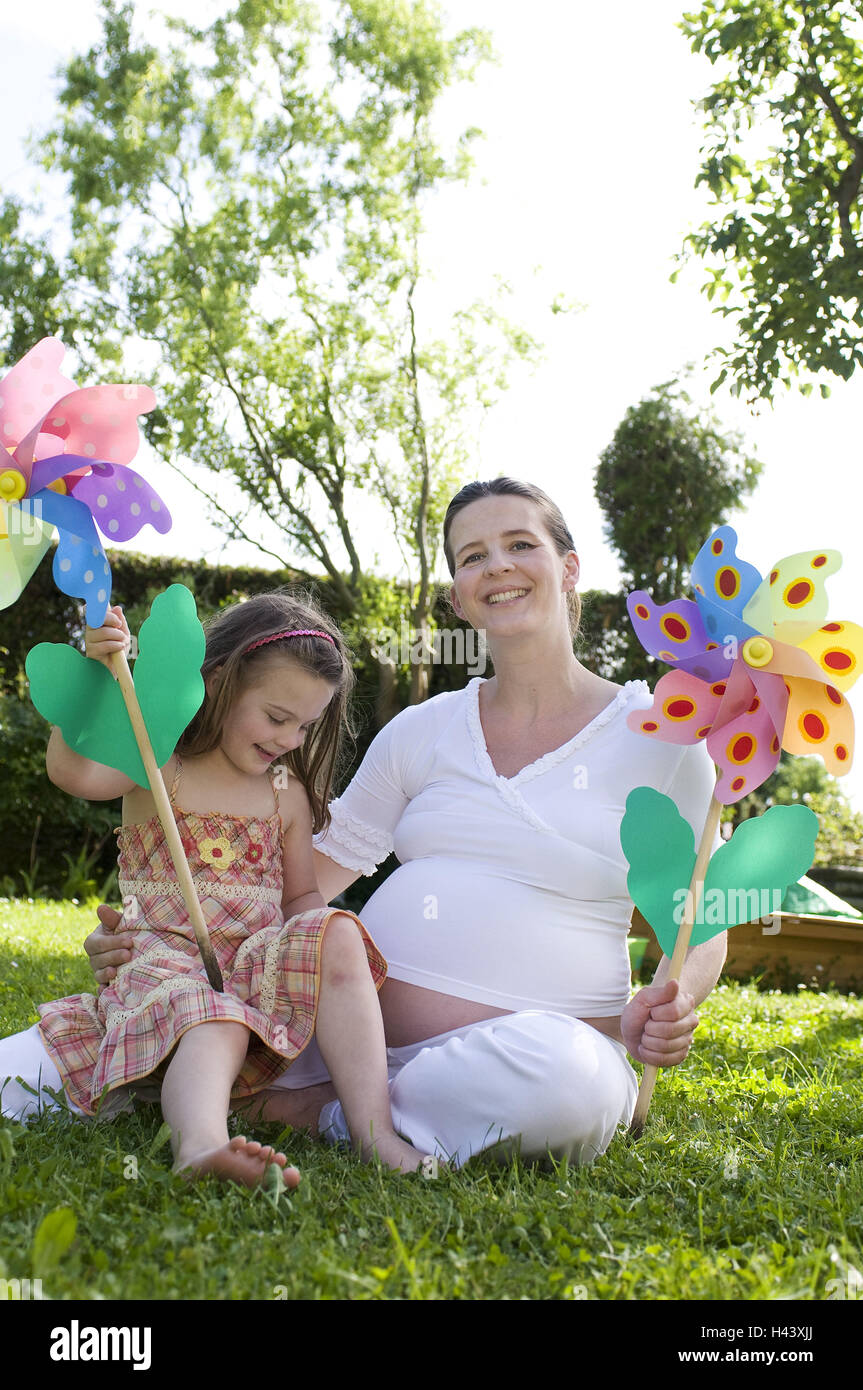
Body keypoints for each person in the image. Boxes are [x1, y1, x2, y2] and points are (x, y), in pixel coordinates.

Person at [77, 478, 727, 1168]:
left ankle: (310, 1111)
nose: (496, 566)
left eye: (519, 544)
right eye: (471, 556)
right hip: (342, 1038)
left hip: (542, 1051)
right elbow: (300, 885)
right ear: (457, 596)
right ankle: (337, 1095)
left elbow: (700, 917)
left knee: (573, 1086)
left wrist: (674, 999)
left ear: (568, 568)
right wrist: (162, 926)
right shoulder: (423, 729)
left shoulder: (663, 737)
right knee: (77, 1060)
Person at [0, 591, 430, 1183]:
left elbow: (301, 897)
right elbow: (74, 773)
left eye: (305, 726)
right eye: (277, 717)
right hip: (162, 965)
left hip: (252, 964)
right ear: (222, 681)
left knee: (337, 931)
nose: (289, 740)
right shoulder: (159, 763)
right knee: (215, 1014)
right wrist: (101, 676)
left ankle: (373, 1131)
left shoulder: (286, 792)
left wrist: (316, 938)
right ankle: (201, 1146)